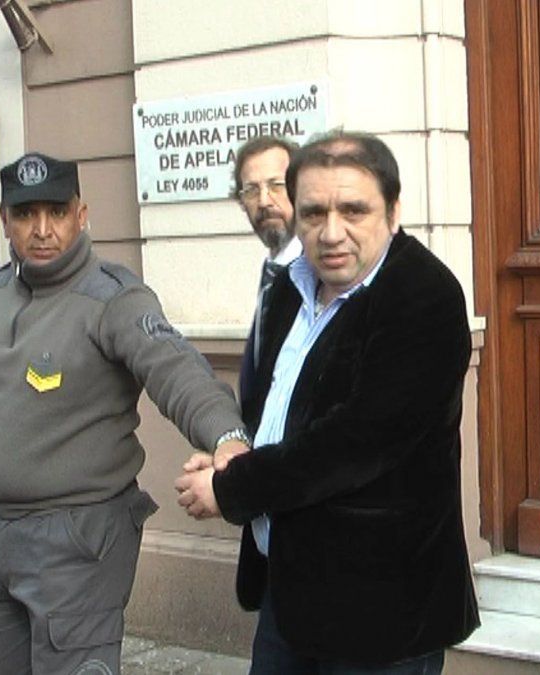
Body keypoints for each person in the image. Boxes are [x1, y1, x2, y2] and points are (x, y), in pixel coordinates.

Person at [0, 152, 249, 675]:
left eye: (57, 212)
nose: (42, 229)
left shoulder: (114, 298)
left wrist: (226, 437)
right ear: (4, 220)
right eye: (26, 214)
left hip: (80, 538)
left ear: (81, 214)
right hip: (2, 534)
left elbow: (177, 371)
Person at [176, 131, 479, 673]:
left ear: (394, 211)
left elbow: (354, 442)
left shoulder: (423, 295)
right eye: (314, 212)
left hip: (380, 609)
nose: (331, 232)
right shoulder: (291, 287)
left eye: (354, 210)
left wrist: (231, 487)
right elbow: (280, 408)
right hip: (289, 590)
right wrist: (234, 453)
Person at [232, 135, 301, 401]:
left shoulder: (320, 277)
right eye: (251, 190)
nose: (264, 201)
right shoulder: (272, 272)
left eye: (276, 185)